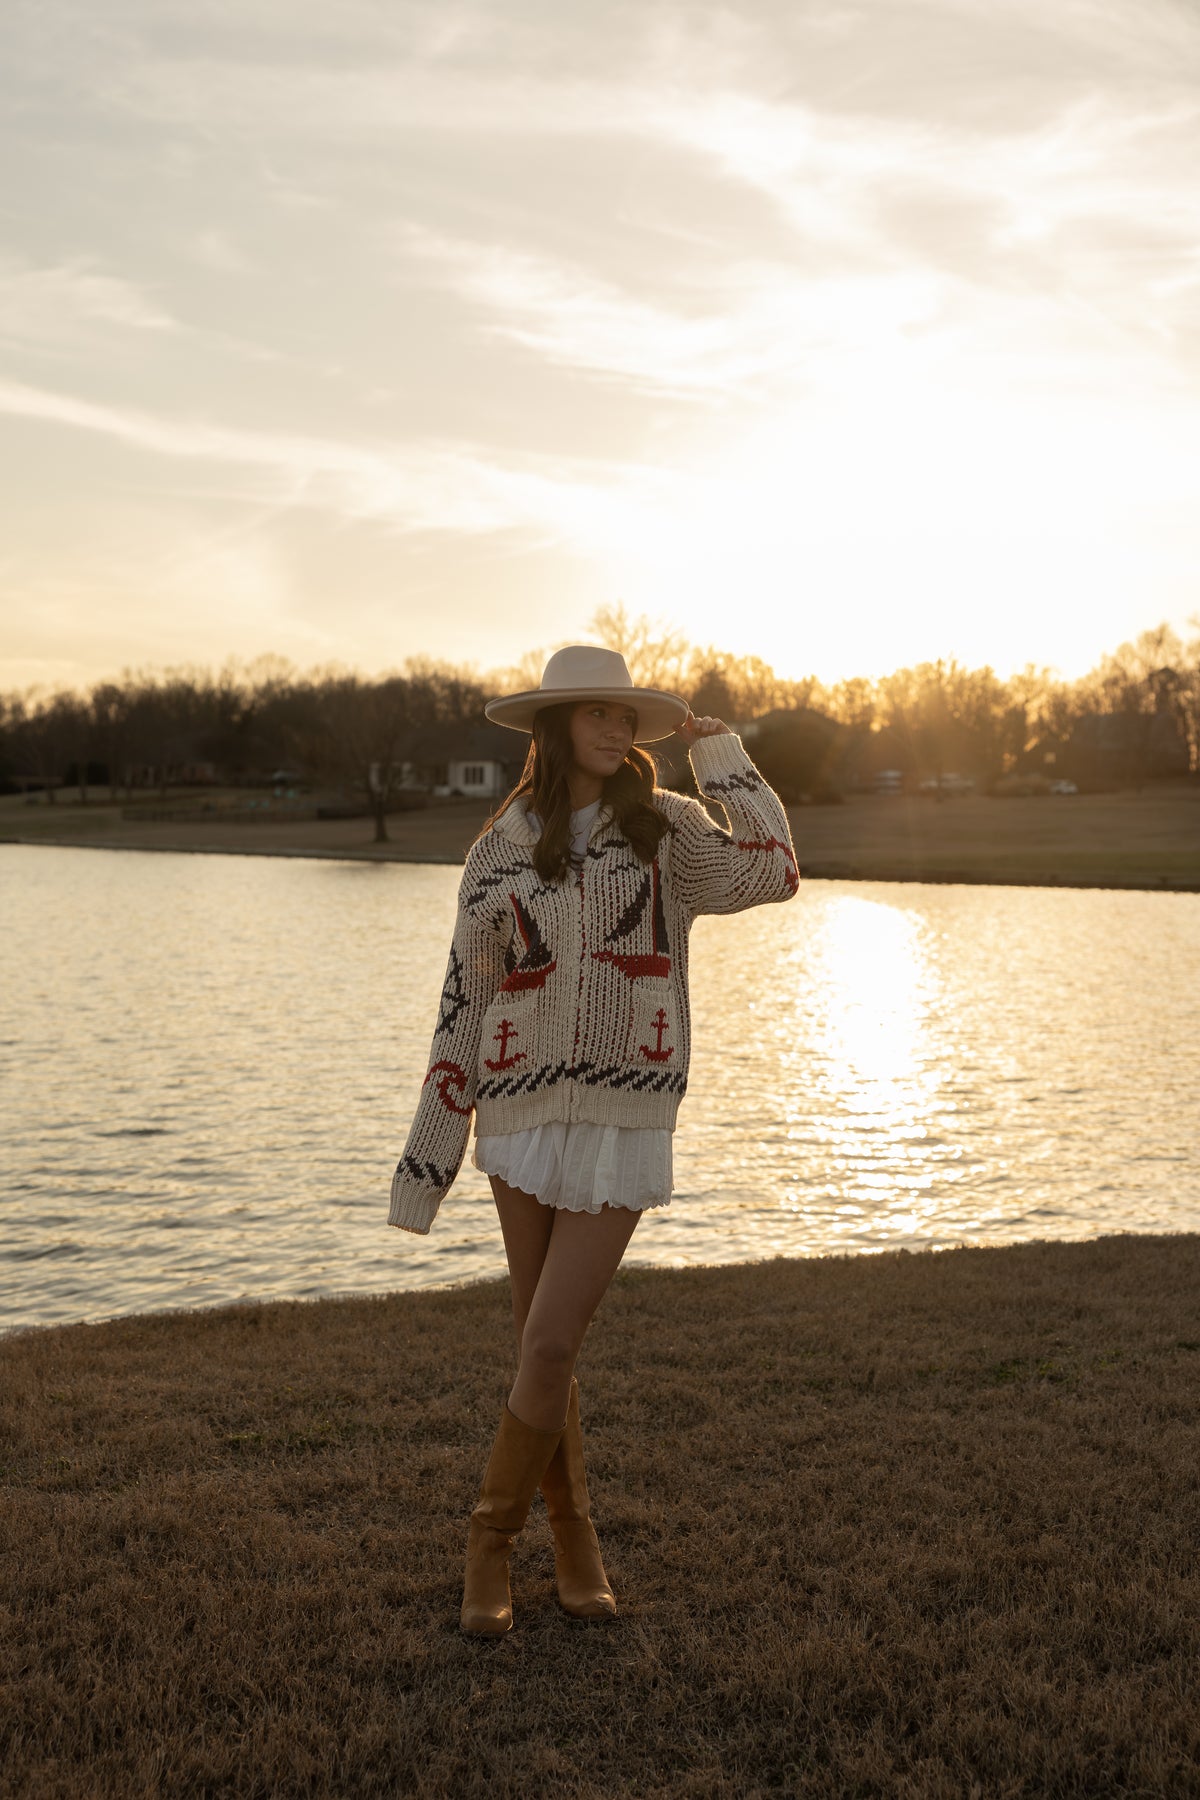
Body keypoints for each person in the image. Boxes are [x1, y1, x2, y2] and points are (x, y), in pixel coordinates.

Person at [389, 644, 798, 1634]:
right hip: (519, 1115)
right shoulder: (500, 851)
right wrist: (430, 1156)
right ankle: (573, 1541)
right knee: (543, 1346)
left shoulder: (665, 829)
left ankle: (490, 1541)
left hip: (623, 1116)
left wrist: (724, 760)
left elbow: (774, 869)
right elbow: (464, 1004)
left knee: (551, 1340)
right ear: (557, 724)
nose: (617, 730)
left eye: (628, 717)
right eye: (598, 714)